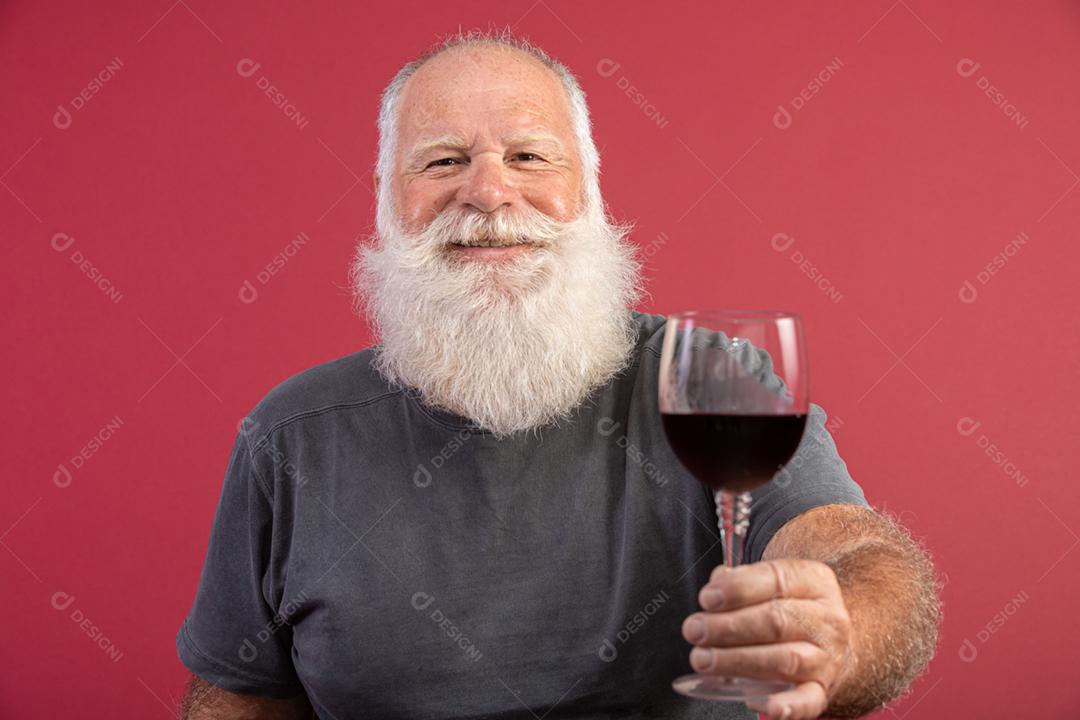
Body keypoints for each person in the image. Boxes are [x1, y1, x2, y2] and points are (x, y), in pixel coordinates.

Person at [176, 29, 940, 720]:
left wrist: (838, 632)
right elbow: (236, 700)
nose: (488, 191)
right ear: (386, 208)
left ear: (591, 196)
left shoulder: (706, 375)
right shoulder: (289, 439)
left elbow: (857, 554)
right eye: (442, 161)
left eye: (529, 156)